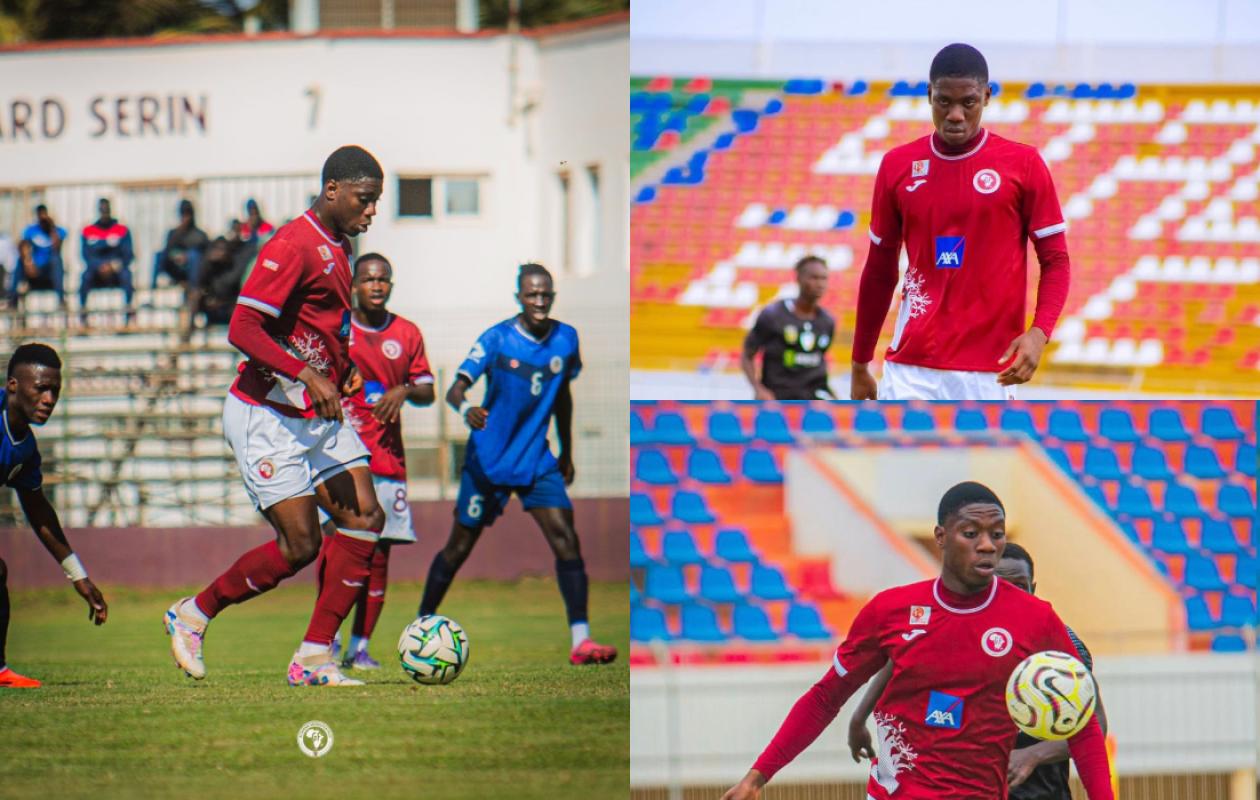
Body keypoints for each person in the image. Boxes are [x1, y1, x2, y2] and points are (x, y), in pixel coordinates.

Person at [720, 482, 1112, 800]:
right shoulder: (891, 611)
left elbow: (1082, 723)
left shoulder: (1035, 618)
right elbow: (826, 697)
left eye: (997, 534)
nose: (988, 545)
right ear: (941, 537)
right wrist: (758, 776)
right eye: (971, 533)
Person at [163, 145, 386, 688]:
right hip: (265, 414)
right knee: (301, 547)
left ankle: (313, 659)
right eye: (365, 198)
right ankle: (194, 613)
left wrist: (343, 366)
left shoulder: (341, 244)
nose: (372, 211)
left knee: (365, 517)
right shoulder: (292, 244)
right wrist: (308, 375)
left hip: (314, 411)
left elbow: (318, 324)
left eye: (376, 201)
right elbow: (242, 328)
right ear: (333, 190)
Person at [416, 263, 617, 666]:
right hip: (488, 460)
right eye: (532, 294)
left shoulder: (566, 338)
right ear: (519, 298)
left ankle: (581, 639)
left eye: (546, 294)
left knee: (566, 538)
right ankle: (421, 624)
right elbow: (456, 389)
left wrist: (568, 448)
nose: (540, 301)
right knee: (458, 548)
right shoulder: (497, 339)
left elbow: (562, 395)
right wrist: (468, 409)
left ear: (553, 296)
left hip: (536, 458)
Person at [850, 43, 1071, 401]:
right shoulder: (897, 165)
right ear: (928, 96)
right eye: (943, 102)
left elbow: (1056, 260)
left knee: (987, 460)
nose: (955, 114)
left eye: (968, 102)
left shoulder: (1023, 164)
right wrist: (860, 362)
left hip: (991, 371)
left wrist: (1039, 332)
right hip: (911, 369)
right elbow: (878, 270)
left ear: (986, 96)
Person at [847, 541, 1109, 800]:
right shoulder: (958, 633)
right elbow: (899, 661)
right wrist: (859, 718)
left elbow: (1094, 722)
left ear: (1033, 589)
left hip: (1042, 792)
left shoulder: (1059, 648)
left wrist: (1032, 755)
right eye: (1000, 585)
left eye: (1019, 586)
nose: (1010, 594)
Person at [322, 252, 434, 670]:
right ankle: (326, 640)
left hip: (388, 462)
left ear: (391, 284)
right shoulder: (337, 330)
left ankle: (360, 647)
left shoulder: (406, 333)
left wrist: (402, 390)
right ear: (354, 285)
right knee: (336, 551)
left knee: (379, 557)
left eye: (383, 279)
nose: (376, 285)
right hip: (341, 461)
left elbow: (428, 390)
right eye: (368, 279)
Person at [0, 344, 108, 688]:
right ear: (13, 385)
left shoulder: (24, 450)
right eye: (41, 388)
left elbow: (38, 510)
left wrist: (77, 574)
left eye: (55, 391)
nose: (49, 398)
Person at [741, 255, 836, 400]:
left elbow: (817, 362)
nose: (820, 284)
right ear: (798, 279)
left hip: (813, 398)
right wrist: (759, 389)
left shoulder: (827, 321)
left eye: (824, 278)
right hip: (778, 397)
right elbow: (747, 355)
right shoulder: (772, 315)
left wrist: (831, 394)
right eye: (814, 278)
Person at [79, 197, 136, 324]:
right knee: (85, 276)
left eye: (106, 209)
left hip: (116, 271)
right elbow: (85, 255)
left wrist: (113, 265)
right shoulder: (88, 231)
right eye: (102, 209)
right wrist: (99, 266)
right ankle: (83, 312)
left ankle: (128, 310)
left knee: (127, 275)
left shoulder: (122, 230)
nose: (104, 212)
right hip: (96, 271)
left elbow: (128, 254)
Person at [12, 204, 66, 308]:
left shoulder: (58, 230)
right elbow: (23, 246)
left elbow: (57, 246)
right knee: (19, 262)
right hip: (33, 269)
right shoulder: (31, 230)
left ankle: (61, 300)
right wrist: (28, 263)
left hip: (49, 271)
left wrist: (51, 227)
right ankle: (13, 301)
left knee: (56, 260)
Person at [151, 199, 209, 290]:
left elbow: (205, 254)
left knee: (194, 255)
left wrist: (187, 257)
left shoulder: (200, 235)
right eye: (183, 215)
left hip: (193, 271)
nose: (185, 218)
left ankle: (194, 290)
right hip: (175, 268)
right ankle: (154, 290)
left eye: (187, 215)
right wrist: (175, 256)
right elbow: (167, 250)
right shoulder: (173, 233)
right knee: (158, 255)